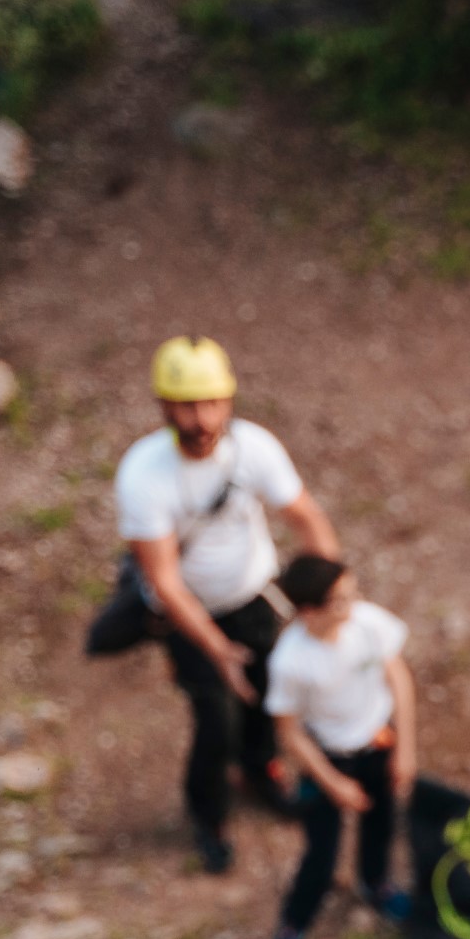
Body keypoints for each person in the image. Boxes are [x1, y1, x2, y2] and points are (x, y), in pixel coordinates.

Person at [115, 336, 340, 874]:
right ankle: (209, 813)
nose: (202, 420)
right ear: (164, 406)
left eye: (212, 404)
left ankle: (261, 771)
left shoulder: (254, 449)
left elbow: (305, 518)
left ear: (229, 401)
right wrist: (216, 650)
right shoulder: (144, 475)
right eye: (187, 406)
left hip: (254, 597)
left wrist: (326, 595)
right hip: (187, 616)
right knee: (216, 721)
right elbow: (165, 581)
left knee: (268, 695)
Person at [262, 555, 417, 939]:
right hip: (329, 757)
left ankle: (376, 883)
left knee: (381, 822)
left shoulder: (368, 624)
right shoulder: (291, 661)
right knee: (321, 853)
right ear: (309, 611)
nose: (353, 604)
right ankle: (293, 926)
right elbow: (290, 732)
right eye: (340, 599)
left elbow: (398, 677)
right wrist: (332, 783)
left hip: (377, 742)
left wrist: (405, 749)